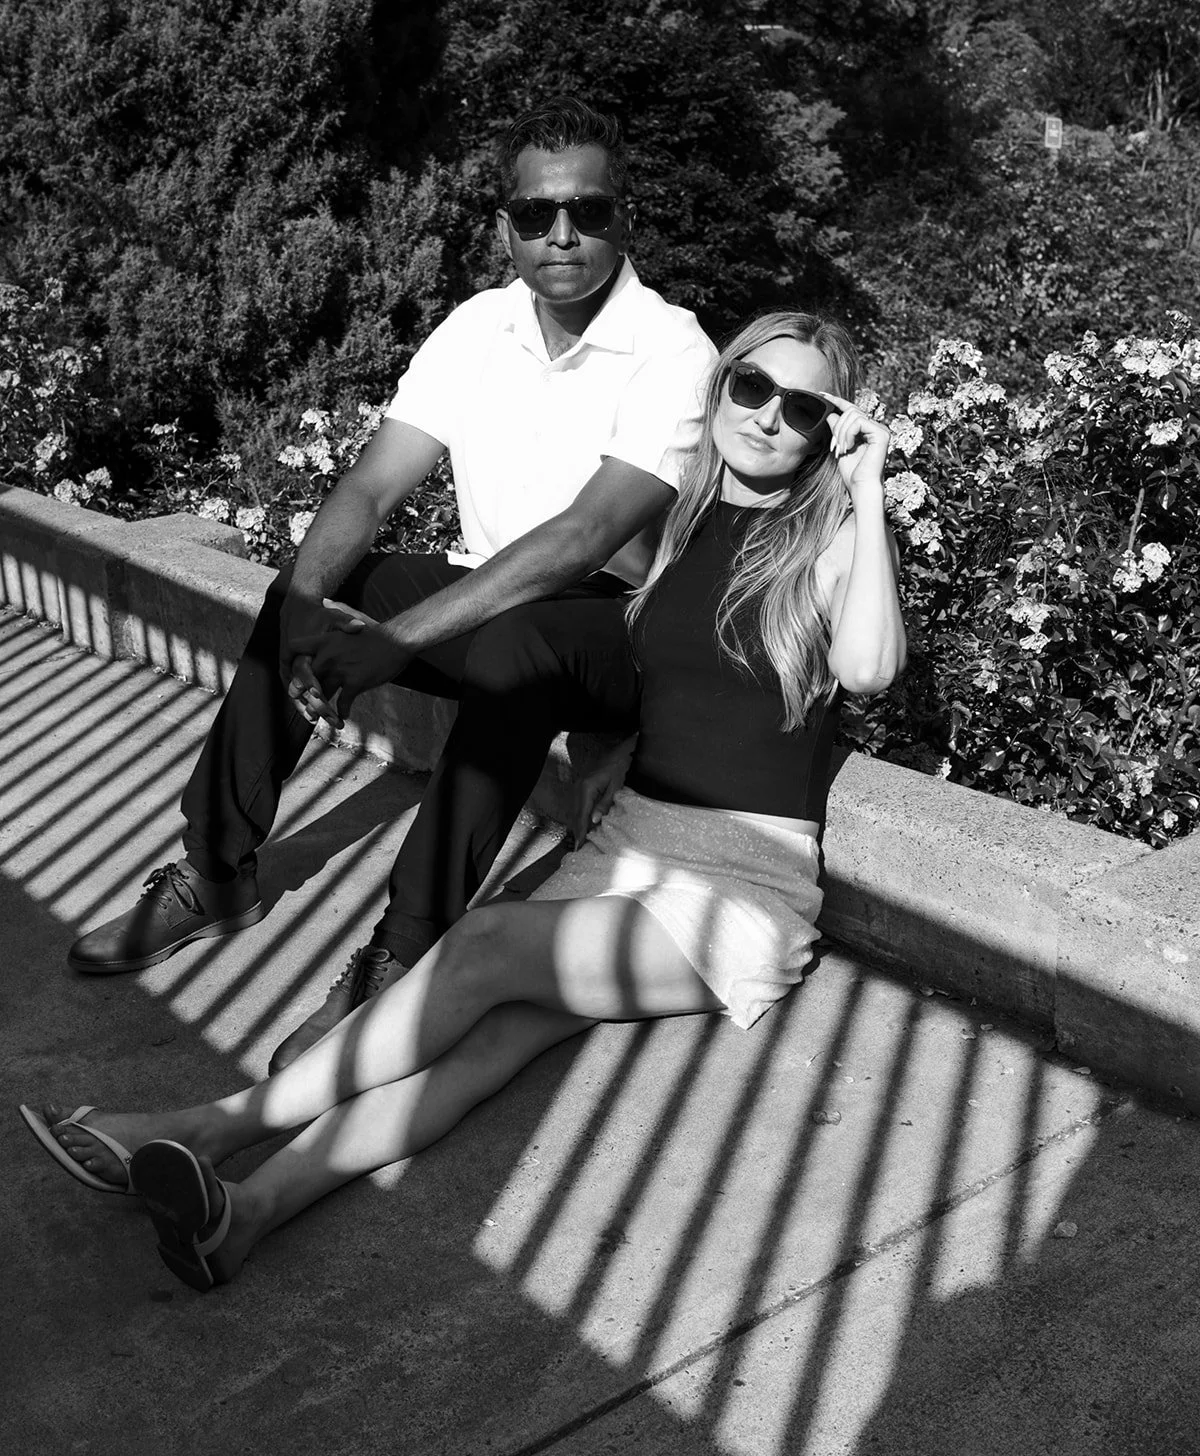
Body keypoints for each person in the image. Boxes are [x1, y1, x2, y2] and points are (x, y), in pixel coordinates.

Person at [21, 310, 906, 1292]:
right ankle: (244, 1216)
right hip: (633, 843)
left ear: (833, 428)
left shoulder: (824, 538)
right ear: (723, 384)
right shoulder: (687, 522)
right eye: (754, 388)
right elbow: (673, 672)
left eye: (806, 408)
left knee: (479, 951)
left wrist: (866, 489)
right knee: (480, 1051)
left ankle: (203, 1127)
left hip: (740, 884)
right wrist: (623, 744)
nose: (772, 419)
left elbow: (868, 668)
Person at [67, 98, 716, 1074]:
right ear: (504, 226)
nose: (563, 233)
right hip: (503, 601)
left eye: (588, 209)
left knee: (511, 647)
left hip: (622, 637)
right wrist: (308, 615)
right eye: (536, 214)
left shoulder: (676, 353)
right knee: (323, 578)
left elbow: (584, 540)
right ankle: (218, 867)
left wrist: (397, 646)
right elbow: (370, 486)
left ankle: (394, 958)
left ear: (627, 219)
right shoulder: (476, 332)